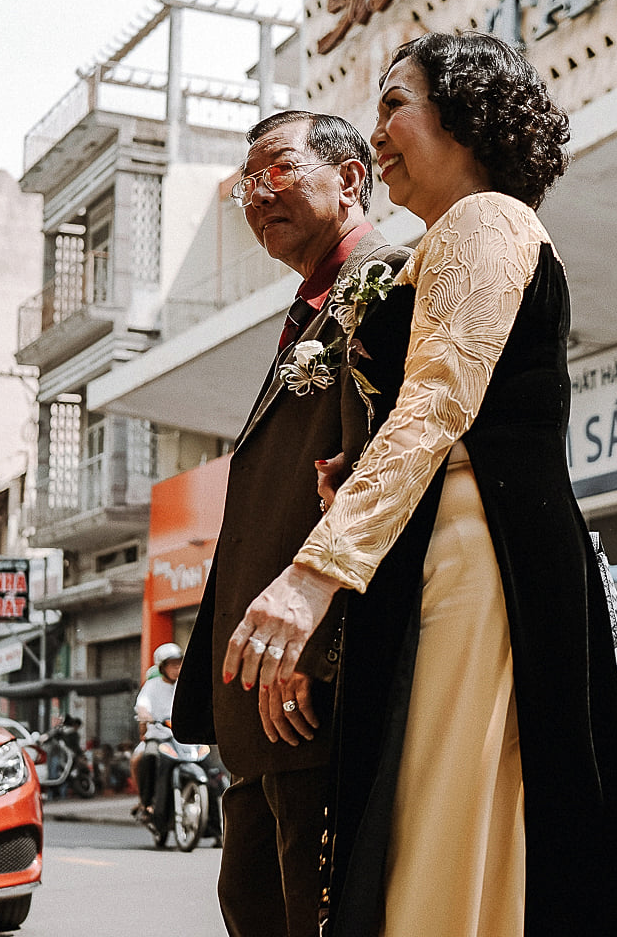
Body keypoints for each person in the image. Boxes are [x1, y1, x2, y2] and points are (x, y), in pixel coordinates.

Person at [224, 30, 617, 937]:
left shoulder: (485, 219)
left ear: (464, 113)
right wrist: (353, 472)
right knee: (437, 824)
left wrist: (311, 577)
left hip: (476, 562)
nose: (376, 132)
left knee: (447, 826)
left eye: (393, 104)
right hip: (448, 554)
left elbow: (439, 402)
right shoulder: (448, 239)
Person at [170, 110, 412, 937]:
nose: (256, 195)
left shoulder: (387, 280)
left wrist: (323, 646)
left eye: (276, 172)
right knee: (252, 907)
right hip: (258, 703)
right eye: (246, 184)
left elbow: (381, 488)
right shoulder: (311, 306)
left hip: (304, 691)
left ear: (349, 179)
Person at [133, 644, 183, 822]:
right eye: (172, 664)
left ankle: (214, 821)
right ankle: (147, 805)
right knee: (150, 757)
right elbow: (143, 705)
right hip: (159, 737)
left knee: (207, 763)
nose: (177, 668)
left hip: (182, 739)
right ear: (163, 667)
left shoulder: (184, 685)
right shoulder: (152, 685)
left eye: (179, 664)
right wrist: (145, 713)